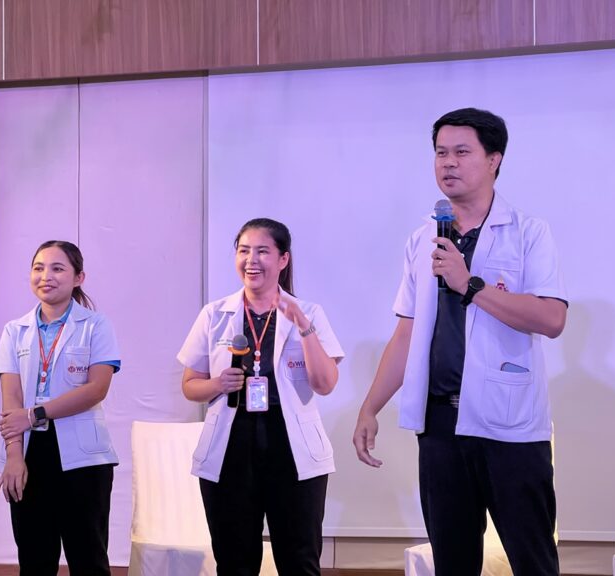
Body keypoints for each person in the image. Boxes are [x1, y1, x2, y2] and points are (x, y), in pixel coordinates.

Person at [353, 108, 568, 576]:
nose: (448, 163)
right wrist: (370, 408)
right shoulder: (423, 239)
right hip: (440, 427)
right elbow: (407, 333)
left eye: (461, 152)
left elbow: (552, 319)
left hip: (508, 426)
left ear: (494, 159)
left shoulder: (529, 232)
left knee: (533, 560)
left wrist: (469, 284)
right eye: (440, 153)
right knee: (452, 564)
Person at [178, 218, 344, 576]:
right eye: (244, 251)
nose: (251, 260)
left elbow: (325, 383)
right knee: (234, 562)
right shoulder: (214, 314)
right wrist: (218, 384)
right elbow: (190, 385)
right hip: (231, 445)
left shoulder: (309, 313)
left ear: (283, 259)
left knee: (299, 561)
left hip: (291, 447)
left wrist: (304, 327)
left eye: (262, 251)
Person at [0, 240, 121, 576]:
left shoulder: (96, 325)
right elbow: (11, 399)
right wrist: (14, 456)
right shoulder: (14, 330)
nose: (45, 276)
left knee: (89, 560)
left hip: (84, 459)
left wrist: (34, 414)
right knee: (34, 560)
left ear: (79, 277)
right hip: (30, 453)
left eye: (57, 268)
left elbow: (96, 389)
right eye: (38, 268)